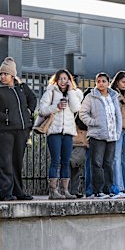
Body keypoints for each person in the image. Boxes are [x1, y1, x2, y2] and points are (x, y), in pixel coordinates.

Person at [0, 57, 37, 201]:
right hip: (4, 132)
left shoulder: (21, 88)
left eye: (6, 74)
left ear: (12, 75)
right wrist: (6, 117)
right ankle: (5, 193)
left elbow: (33, 99)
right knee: (5, 162)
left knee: (17, 162)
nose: (2, 76)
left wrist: (29, 112)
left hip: (21, 130)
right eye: (1, 74)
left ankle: (18, 192)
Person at [38, 69, 83, 199]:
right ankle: (53, 191)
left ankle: (65, 190)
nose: (63, 81)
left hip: (68, 131)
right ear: (56, 80)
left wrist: (70, 91)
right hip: (54, 131)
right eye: (61, 79)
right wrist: (56, 107)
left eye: (65, 79)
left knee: (65, 161)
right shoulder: (50, 92)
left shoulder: (74, 93)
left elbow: (76, 109)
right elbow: (42, 110)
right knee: (55, 161)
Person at [79, 72, 122, 199]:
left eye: (103, 81)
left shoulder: (113, 96)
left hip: (112, 135)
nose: (101, 83)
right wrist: (93, 123)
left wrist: (118, 131)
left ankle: (108, 190)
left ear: (108, 83)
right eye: (98, 81)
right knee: (97, 163)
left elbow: (117, 115)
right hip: (97, 135)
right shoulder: (91, 97)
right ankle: (98, 191)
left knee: (108, 163)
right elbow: (82, 113)